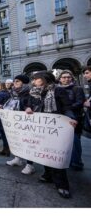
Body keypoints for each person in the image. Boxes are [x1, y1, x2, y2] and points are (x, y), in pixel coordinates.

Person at [25, 71, 77, 199]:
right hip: (40, 128)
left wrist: (71, 118)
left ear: (44, 79)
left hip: (55, 128)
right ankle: (48, 175)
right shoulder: (33, 92)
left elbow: (67, 107)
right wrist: (28, 108)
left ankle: (62, 185)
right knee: (44, 152)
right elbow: (29, 105)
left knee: (55, 155)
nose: (34, 81)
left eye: (36, 79)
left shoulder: (58, 91)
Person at [3, 75, 33, 174]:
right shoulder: (13, 92)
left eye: (18, 81)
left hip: (26, 122)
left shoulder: (30, 92)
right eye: (14, 81)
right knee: (17, 141)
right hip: (15, 122)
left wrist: (28, 108)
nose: (14, 83)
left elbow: (32, 104)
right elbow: (9, 104)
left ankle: (30, 165)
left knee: (27, 143)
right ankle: (17, 159)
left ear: (23, 83)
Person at [57, 70, 85, 171]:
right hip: (61, 119)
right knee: (63, 141)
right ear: (60, 79)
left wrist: (65, 108)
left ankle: (77, 162)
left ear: (72, 78)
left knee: (75, 141)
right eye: (64, 77)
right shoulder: (57, 89)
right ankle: (66, 160)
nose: (66, 79)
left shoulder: (77, 88)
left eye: (68, 77)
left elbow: (80, 102)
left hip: (74, 117)